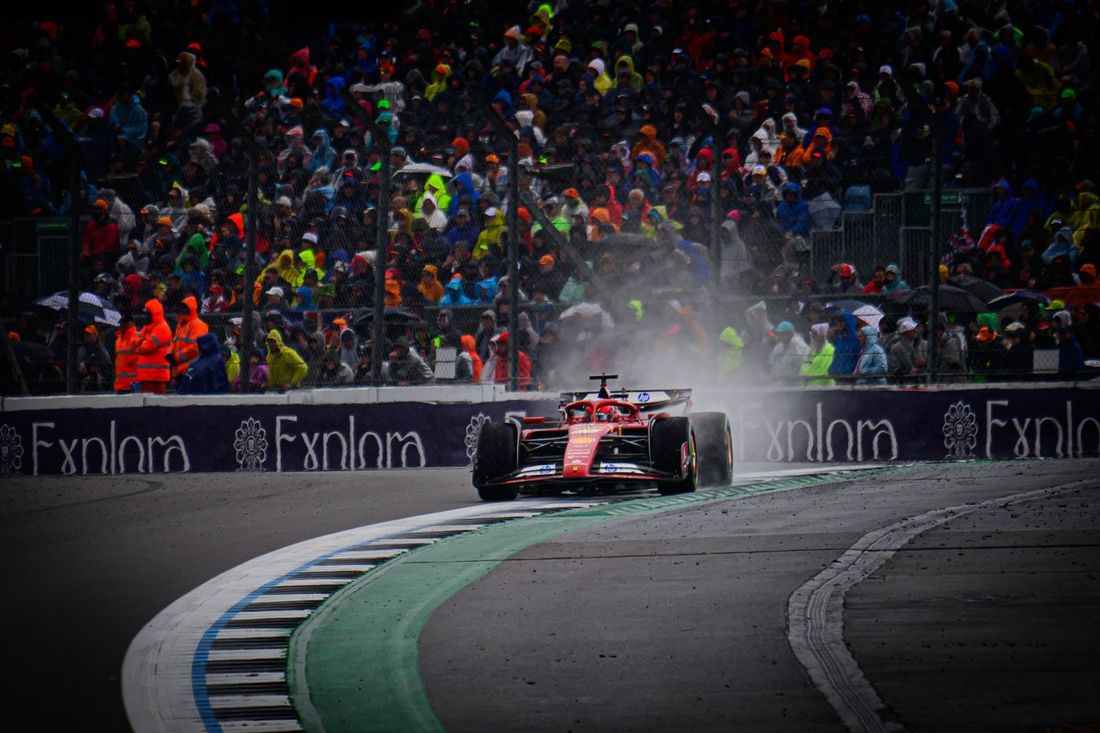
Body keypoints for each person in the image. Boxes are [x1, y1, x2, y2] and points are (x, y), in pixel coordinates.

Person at [168, 295, 209, 383]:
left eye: (184, 308)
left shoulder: (199, 325)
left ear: (190, 309)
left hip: (192, 371)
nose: (180, 311)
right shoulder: (181, 324)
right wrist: (169, 354)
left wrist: (175, 357)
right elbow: (174, 341)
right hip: (180, 371)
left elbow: (195, 347)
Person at [135, 298, 172, 393]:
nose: (145, 316)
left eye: (147, 314)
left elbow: (147, 347)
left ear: (154, 315)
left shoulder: (162, 328)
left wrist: (140, 344)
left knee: (156, 405)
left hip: (156, 376)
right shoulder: (148, 326)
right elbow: (134, 342)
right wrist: (141, 343)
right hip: (147, 376)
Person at [77, 324, 114, 391]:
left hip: (98, 384)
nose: (86, 336)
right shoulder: (81, 350)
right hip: (82, 382)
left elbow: (108, 368)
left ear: (95, 336)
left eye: (89, 334)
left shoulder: (102, 351)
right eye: (85, 334)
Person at [113, 314, 139, 393]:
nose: (121, 325)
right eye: (121, 323)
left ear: (130, 323)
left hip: (131, 385)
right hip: (120, 384)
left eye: (124, 323)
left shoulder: (135, 337)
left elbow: (134, 359)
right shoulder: (119, 339)